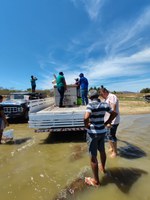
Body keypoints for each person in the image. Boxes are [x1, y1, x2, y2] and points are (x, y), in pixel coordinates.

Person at [84, 90, 117, 186]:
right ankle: (102, 167)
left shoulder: (90, 105)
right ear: (98, 96)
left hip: (93, 134)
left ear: (90, 97)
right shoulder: (104, 104)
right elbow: (114, 113)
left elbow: (86, 118)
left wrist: (86, 125)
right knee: (102, 151)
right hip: (102, 132)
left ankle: (96, 181)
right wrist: (107, 122)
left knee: (93, 157)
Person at [100, 85, 120, 158]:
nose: (101, 96)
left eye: (101, 94)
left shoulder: (112, 96)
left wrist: (109, 122)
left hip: (112, 121)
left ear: (105, 92)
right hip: (108, 121)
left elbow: (113, 110)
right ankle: (112, 148)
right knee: (108, 135)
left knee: (112, 136)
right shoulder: (106, 98)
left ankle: (115, 152)